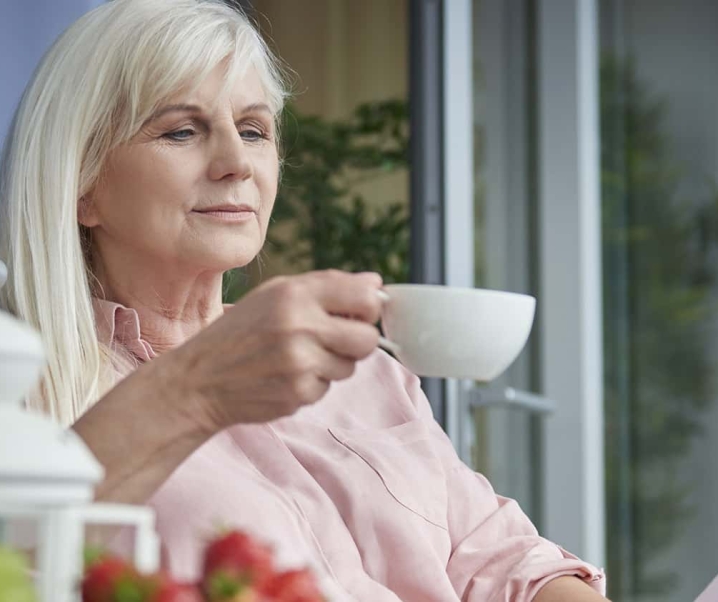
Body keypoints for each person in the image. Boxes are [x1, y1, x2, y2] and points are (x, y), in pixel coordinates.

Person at [0, 1, 608, 600]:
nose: (237, 163)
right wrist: (195, 387)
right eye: (181, 131)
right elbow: (17, 561)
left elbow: (501, 559)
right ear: (80, 183)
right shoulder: (23, 391)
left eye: (254, 130)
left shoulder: (366, 372)